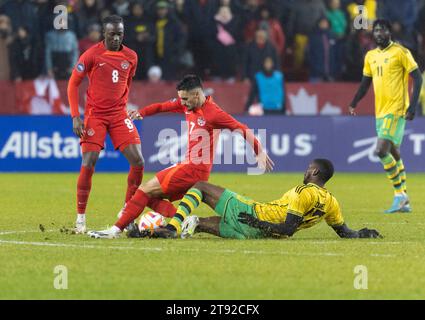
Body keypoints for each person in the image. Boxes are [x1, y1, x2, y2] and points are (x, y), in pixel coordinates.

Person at [88, 74, 274, 239]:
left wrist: (259, 152)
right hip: (187, 166)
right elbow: (162, 106)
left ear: (196, 95)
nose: (182, 102)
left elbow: (241, 128)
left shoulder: (214, 113)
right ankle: (182, 219)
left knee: (144, 190)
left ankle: (115, 230)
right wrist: (141, 112)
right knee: (148, 197)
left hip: (193, 169)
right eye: (180, 99)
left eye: (185, 99)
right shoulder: (187, 105)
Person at [130, 159, 382, 240]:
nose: (305, 171)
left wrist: (255, 219)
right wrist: (363, 233)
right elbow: (345, 232)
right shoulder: (332, 203)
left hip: (254, 215)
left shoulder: (303, 191)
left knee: (200, 186)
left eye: (308, 168)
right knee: (198, 223)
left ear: (315, 172)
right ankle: (151, 232)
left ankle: (171, 228)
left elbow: (288, 228)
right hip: (257, 235)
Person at [67, 15, 147, 234]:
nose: (116, 38)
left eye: (119, 34)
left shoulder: (131, 56)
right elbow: (73, 84)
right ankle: (80, 219)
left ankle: (126, 212)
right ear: (104, 34)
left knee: (138, 161)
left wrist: (121, 106)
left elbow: (126, 84)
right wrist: (76, 116)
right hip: (95, 115)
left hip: (119, 115)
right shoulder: (92, 54)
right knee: (89, 160)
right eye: (111, 34)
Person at [349, 19, 423, 213]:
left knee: (381, 150)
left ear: (389, 32)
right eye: (376, 30)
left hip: (396, 109)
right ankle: (404, 201)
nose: (379, 33)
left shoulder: (401, 52)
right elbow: (365, 83)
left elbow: (417, 77)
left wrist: (413, 107)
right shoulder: (370, 56)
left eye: (383, 30)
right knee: (394, 152)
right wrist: (354, 101)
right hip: (380, 112)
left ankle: (399, 195)